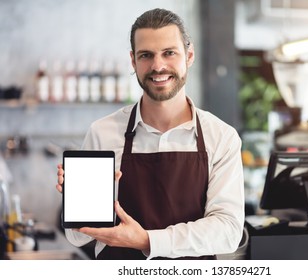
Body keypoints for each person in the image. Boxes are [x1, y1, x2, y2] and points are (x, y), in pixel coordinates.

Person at [56, 8, 244, 260]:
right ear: (133, 61)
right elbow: (78, 236)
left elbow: (228, 232)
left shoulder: (221, 137)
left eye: (169, 53)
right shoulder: (103, 132)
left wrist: (146, 240)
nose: (158, 66)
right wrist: (77, 204)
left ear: (188, 56)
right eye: (146, 55)